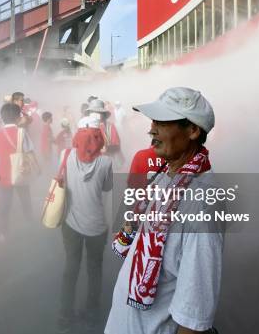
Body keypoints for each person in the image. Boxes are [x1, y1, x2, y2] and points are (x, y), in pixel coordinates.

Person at [105, 87, 223, 334]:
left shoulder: (201, 205)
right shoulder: (165, 176)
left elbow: (193, 319)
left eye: (163, 122)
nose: (152, 130)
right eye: (153, 121)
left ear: (192, 130)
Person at [57, 117, 113, 333]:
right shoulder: (106, 162)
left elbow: (62, 178)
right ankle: (92, 313)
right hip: (97, 226)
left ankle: (64, 315)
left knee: (70, 269)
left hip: (71, 224)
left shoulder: (65, 155)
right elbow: (107, 188)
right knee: (94, 270)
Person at [0, 102, 35, 242]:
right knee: (25, 201)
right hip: (20, 172)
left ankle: (3, 233)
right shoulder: (21, 132)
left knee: (5, 205)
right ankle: (30, 227)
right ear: (18, 117)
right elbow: (29, 150)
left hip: (3, 174)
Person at [86, 99, 125, 169]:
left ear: (102, 114)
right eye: (93, 113)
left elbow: (117, 146)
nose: (94, 115)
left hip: (108, 162)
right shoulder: (86, 127)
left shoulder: (110, 127)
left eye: (97, 113)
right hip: (92, 164)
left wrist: (106, 149)